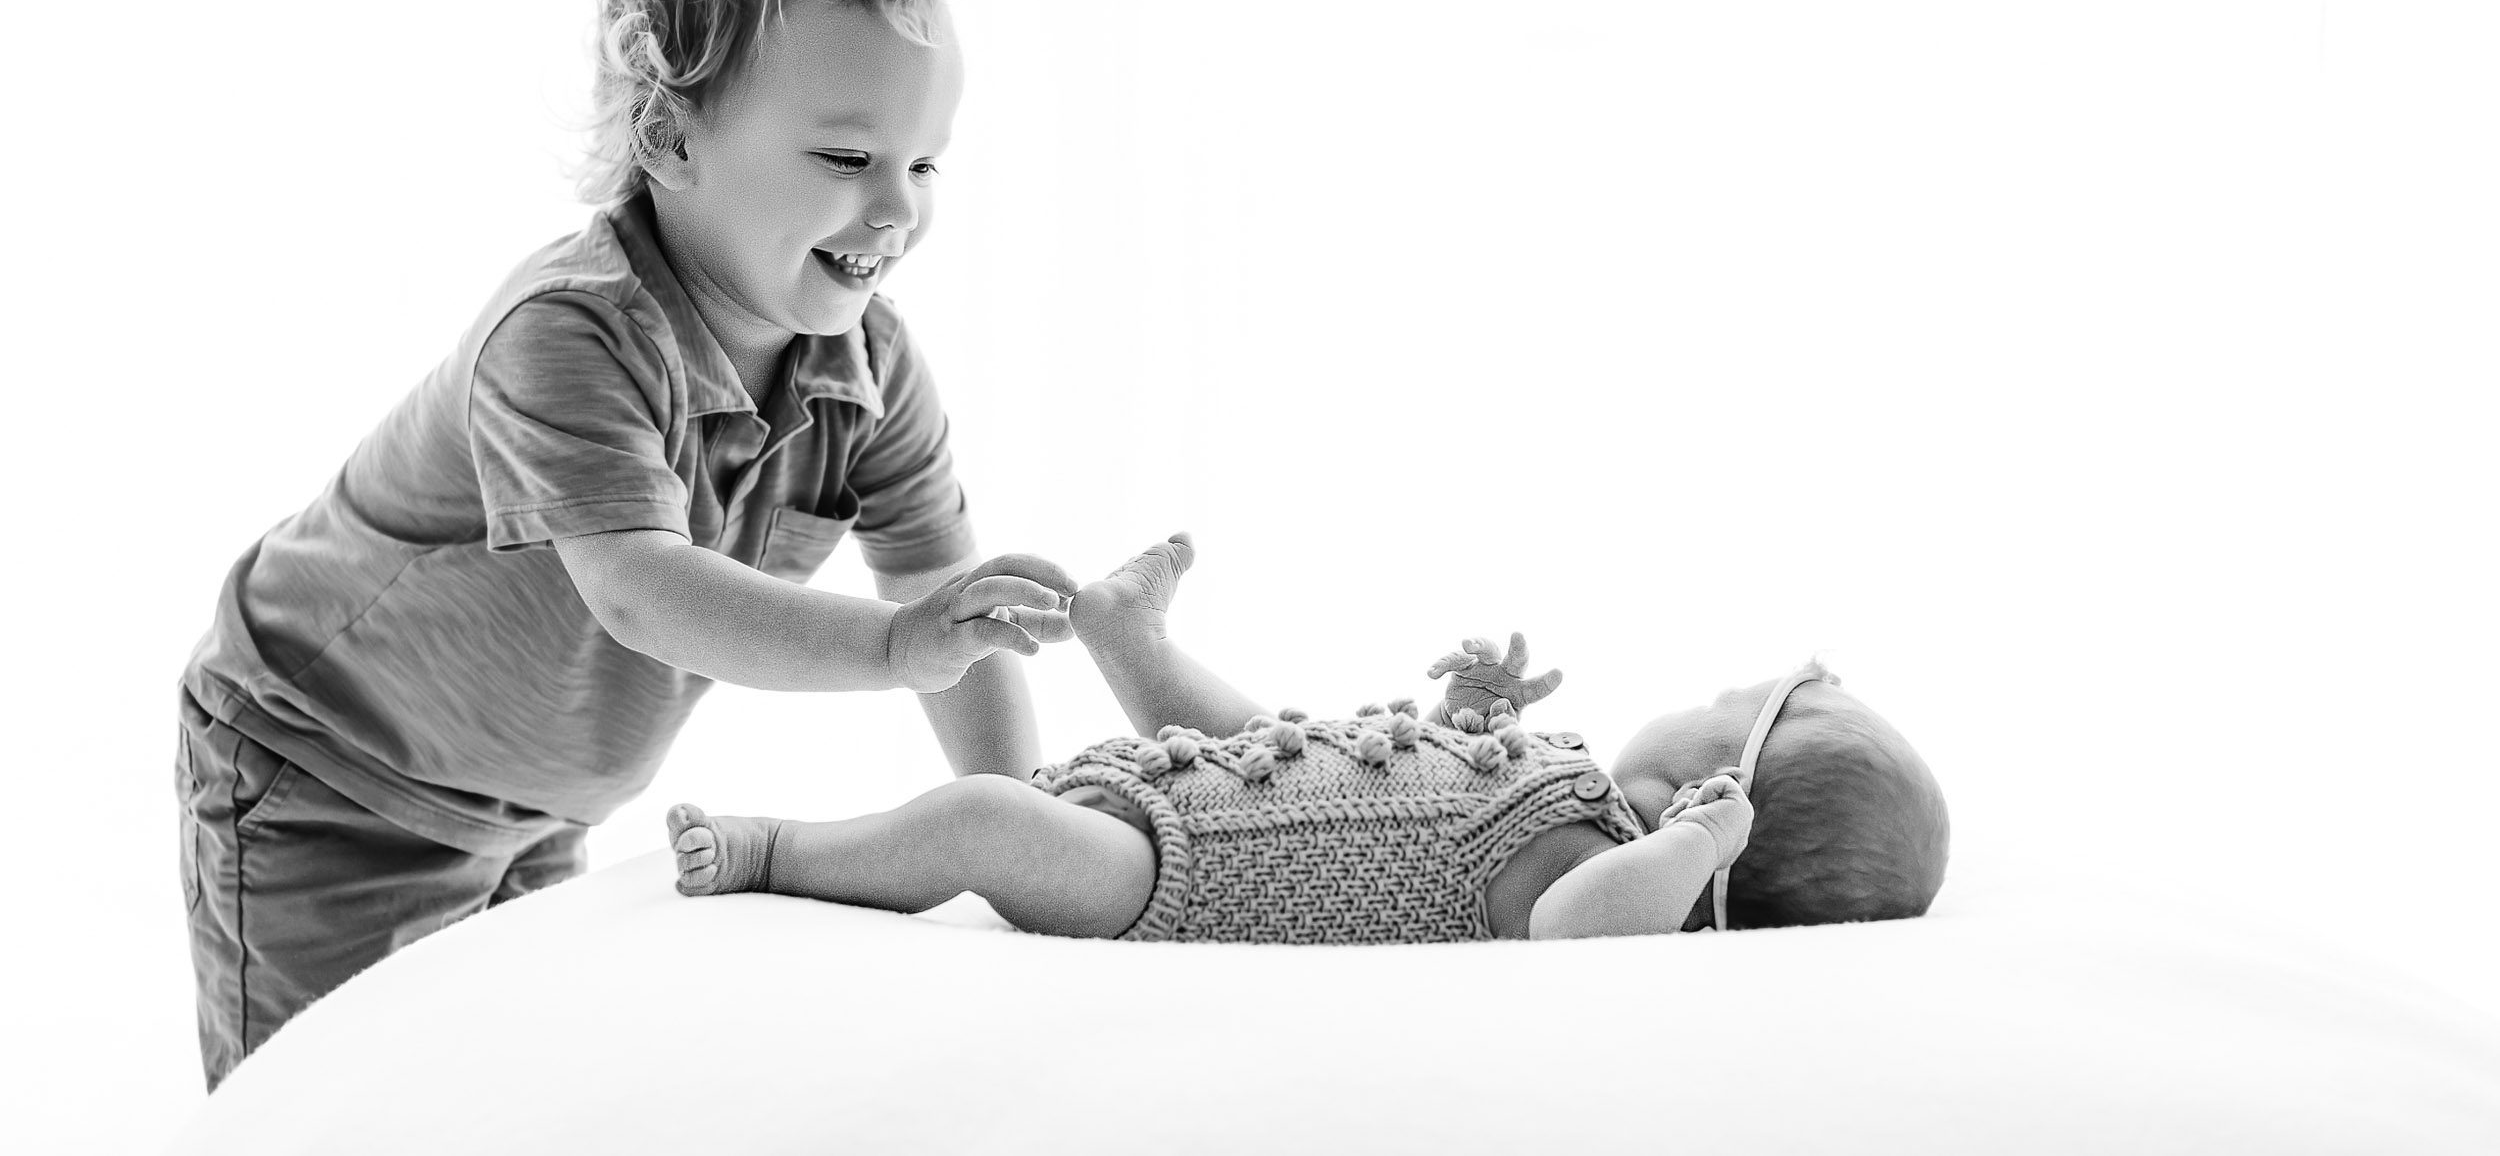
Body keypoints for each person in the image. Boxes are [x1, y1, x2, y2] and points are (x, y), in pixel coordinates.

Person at [175, 0, 1077, 1087]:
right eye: (845, 159)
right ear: (669, 136)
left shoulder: (868, 368)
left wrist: (1026, 827)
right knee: (327, 1103)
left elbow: (948, 602)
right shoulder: (572, 331)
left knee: (503, 1094)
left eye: (923, 164)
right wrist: (887, 646)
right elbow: (640, 591)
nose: (897, 212)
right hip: (330, 775)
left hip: (535, 805)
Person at [666, 535, 1951, 941]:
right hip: (1256, 784)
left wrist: (1688, 849)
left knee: (981, 819)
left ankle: (776, 846)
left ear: (1720, 786)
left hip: (1185, 878)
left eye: (1725, 699)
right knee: (1255, 725)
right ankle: (1128, 642)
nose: (1698, 689)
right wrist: (1474, 719)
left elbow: (1570, 933)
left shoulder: (1618, 871)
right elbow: (1442, 800)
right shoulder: (1569, 796)